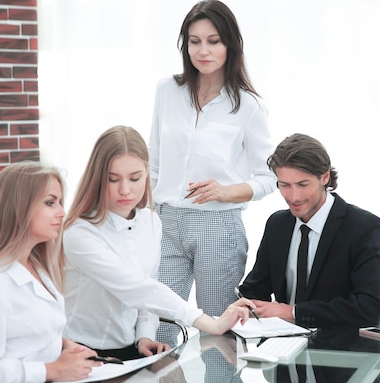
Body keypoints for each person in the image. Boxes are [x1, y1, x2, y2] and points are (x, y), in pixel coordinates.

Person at [63, 126, 254, 361]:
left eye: (134, 178)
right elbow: (137, 289)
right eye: (113, 180)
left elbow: (148, 285)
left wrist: (144, 335)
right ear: (98, 179)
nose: (125, 189)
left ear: (147, 173)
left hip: (130, 350)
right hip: (81, 353)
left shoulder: (151, 221)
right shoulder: (79, 234)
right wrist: (209, 323)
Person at [148, 0, 276, 324]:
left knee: (217, 329)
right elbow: (154, 163)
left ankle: (221, 379)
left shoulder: (249, 106)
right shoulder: (167, 91)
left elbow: (268, 177)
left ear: (230, 45)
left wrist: (224, 191)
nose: (203, 50)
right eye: (195, 41)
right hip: (165, 222)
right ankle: (166, 379)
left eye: (213, 41)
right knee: (157, 326)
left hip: (217, 226)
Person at [0, 162, 103, 383]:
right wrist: (51, 370)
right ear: (19, 208)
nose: (62, 212)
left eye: (60, 202)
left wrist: (63, 346)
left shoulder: (39, 270)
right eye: (50, 202)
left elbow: (23, 334)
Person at [238, 133, 380, 329]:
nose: (293, 196)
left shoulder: (363, 227)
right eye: (284, 185)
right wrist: (247, 305)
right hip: (281, 346)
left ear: (324, 177)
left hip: (339, 348)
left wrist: (292, 312)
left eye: (302, 184)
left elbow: (368, 310)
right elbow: (254, 289)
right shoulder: (277, 224)